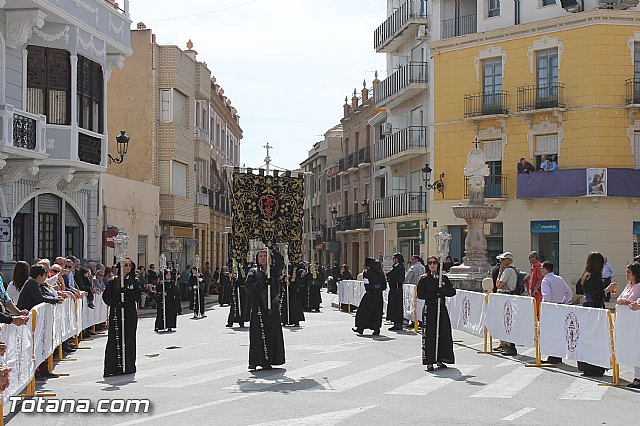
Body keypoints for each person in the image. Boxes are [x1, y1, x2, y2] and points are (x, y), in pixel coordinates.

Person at [576, 252, 617, 377]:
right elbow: (596, 294)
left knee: (587, 338)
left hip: (587, 308)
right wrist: (607, 289)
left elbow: (578, 289)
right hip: (594, 309)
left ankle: (588, 365)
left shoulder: (585, 275)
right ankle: (595, 366)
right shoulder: (593, 276)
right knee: (595, 337)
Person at [245, 248, 285, 371]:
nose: (262, 258)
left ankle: (269, 360)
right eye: (260, 256)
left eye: (265, 255)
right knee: (258, 335)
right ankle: (256, 360)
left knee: (272, 334)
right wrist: (262, 283)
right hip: (258, 307)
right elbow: (248, 286)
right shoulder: (253, 271)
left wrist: (272, 247)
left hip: (272, 307)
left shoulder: (273, 271)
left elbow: (280, 261)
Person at [102, 259, 141, 377]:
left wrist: (127, 296)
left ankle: (128, 366)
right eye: (125, 265)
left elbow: (137, 296)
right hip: (116, 312)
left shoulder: (135, 281)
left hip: (129, 313)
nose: (128, 268)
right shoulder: (114, 281)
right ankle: (112, 367)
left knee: (129, 338)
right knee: (114, 338)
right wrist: (116, 303)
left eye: (130, 265)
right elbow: (106, 297)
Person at [418, 255, 456, 371]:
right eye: (430, 263)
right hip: (430, 308)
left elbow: (452, 291)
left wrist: (442, 291)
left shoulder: (443, 278)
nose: (432, 265)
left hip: (441, 308)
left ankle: (440, 358)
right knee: (430, 334)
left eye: (434, 262)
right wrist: (434, 294)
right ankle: (430, 361)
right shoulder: (424, 279)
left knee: (443, 333)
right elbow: (420, 294)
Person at [539, 261, 573, 364]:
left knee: (550, 332)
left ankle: (552, 355)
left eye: (541, 268)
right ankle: (558, 355)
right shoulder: (559, 279)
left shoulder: (545, 280)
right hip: (559, 306)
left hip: (550, 308)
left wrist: (544, 307)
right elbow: (569, 292)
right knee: (559, 332)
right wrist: (563, 302)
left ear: (545, 269)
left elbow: (547, 296)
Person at [616, 262, 640, 388]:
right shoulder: (629, 286)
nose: (626, 274)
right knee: (634, 349)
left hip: (637, 322)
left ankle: (638, 378)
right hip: (629, 323)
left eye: (629, 272)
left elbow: (635, 301)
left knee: (637, 348)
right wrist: (623, 301)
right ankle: (636, 377)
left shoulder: (639, 286)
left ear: (635, 274)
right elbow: (619, 298)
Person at [352, 257, 385, 336]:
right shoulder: (380, 272)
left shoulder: (367, 272)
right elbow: (384, 285)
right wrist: (378, 287)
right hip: (378, 295)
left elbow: (367, 284)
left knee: (364, 311)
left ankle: (361, 328)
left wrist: (372, 287)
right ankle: (376, 329)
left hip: (370, 295)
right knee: (377, 312)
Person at [495, 252, 518, 356]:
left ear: (509, 260)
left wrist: (500, 276)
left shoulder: (508, 270)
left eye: (503, 260)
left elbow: (499, 284)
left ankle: (510, 346)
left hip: (506, 296)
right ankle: (506, 344)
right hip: (507, 295)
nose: (501, 262)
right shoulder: (509, 270)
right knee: (506, 320)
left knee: (507, 321)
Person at [386, 253, 405, 331]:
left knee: (397, 306)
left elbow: (398, 278)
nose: (393, 260)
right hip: (394, 289)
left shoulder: (399, 268)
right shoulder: (396, 267)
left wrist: (390, 277)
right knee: (393, 306)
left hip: (397, 289)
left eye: (394, 258)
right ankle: (395, 322)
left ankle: (398, 323)